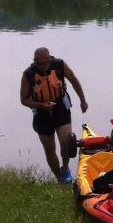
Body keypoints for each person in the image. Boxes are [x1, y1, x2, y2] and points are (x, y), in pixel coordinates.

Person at [20, 47, 89, 183]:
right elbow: (23, 100)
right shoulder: (28, 74)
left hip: (61, 108)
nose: (43, 66)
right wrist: (41, 105)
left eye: (46, 63)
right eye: (39, 64)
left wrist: (83, 101)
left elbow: (74, 80)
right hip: (41, 114)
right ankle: (59, 179)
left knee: (66, 142)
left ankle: (65, 168)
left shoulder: (59, 65)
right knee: (49, 149)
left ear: (50, 58)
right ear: (34, 62)